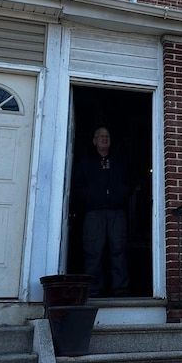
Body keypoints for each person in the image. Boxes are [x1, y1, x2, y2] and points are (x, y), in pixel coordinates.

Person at [76, 127, 133, 297]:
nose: (104, 138)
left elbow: (130, 181)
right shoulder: (86, 162)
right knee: (93, 251)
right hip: (94, 212)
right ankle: (94, 290)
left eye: (107, 136)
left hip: (117, 212)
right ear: (94, 141)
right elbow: (78, 185)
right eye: (101, 136)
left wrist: (120, 194)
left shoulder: (120, 161)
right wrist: (90, 197)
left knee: (119, 251)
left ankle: (121, 290)